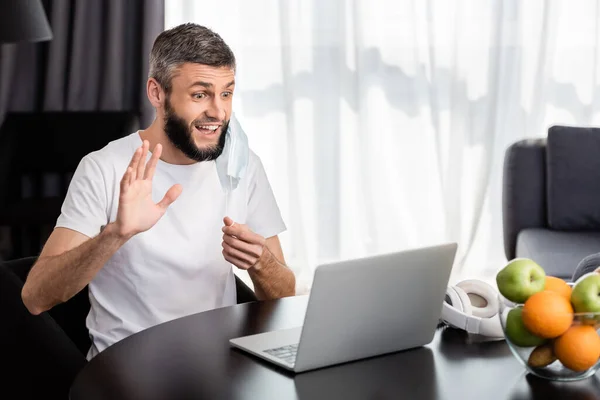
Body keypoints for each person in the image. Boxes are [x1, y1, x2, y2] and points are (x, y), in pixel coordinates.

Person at [20, 23, 296, 360]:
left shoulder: (243, 165)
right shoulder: (104, 167)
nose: (218, 111)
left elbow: (286, 294)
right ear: (157, 93)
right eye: (200, 94)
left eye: (226, 93)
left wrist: (260, 262)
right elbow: (36, 297)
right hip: (126, 370)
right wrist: (116, 235)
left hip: (215, 365)